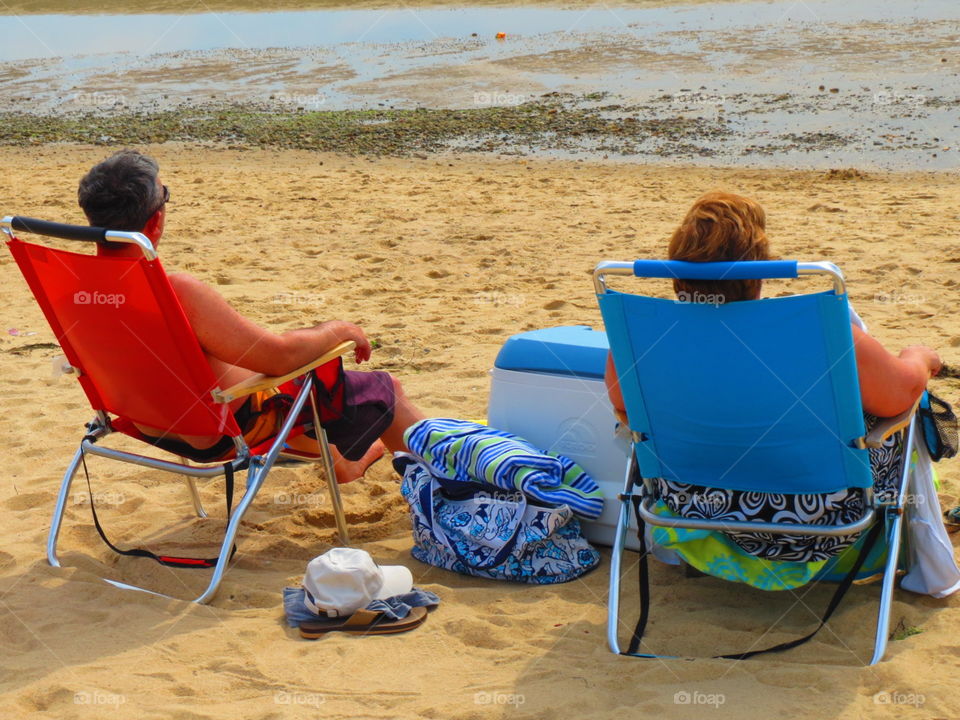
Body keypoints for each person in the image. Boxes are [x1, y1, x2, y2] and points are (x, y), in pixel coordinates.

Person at [77, 149, 425, 483]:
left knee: (291, 378)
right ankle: (446, 484)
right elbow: (280, 357)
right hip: (227, 427)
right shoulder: (174, 291)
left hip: (152, 424)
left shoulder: (75, 288)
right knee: (380, 389)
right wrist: (339, 330)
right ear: (156, 219)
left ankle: (345, 467)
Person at [605, 190, 942, 421]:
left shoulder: (638, 336)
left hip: (686, 501)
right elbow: (899, 395)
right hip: (816, 511)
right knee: (911, 414)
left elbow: (623, 405)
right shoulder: (825, 333)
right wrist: (919, 357)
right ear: (759, 270)